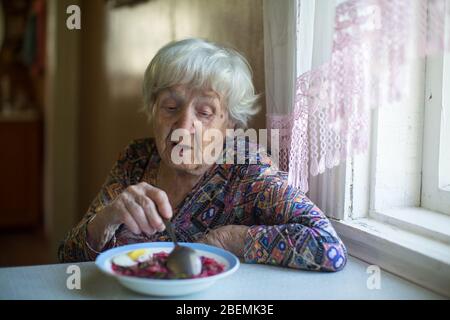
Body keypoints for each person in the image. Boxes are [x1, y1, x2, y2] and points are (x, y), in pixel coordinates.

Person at [58, 38, 347, 272]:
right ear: (153, 111)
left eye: (205, 112)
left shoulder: (246, 169)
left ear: (230, 125)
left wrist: (228, 239)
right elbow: (68, 258)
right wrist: (107, 217)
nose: (184, 126)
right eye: (170, 107)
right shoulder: (137, 158)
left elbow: (328, 247)